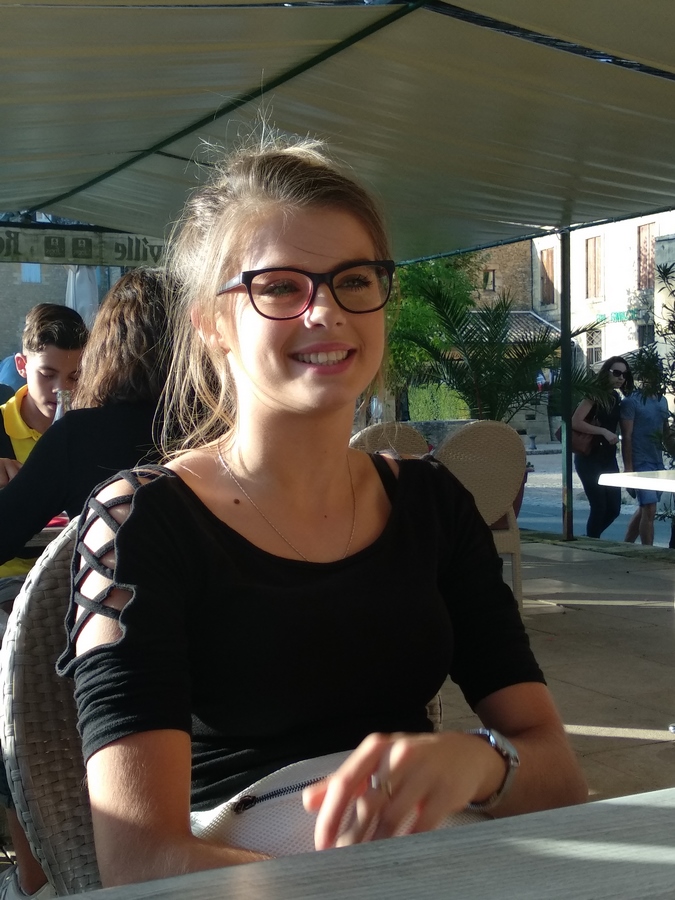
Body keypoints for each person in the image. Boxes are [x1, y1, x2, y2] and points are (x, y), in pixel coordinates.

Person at [57, 137, 587, 888]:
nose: (327, 311)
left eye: (353, 280)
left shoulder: (432, 503)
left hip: (431, 863)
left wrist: (479, 760)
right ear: (211, 322)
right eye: (279, 288)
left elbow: (559, 778)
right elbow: (139, 860)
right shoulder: (140, 522)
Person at [0, 269, 173, 900]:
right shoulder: (224, 430)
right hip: (214, 661)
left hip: (102, 663)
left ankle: (35, 879)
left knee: (10, 689)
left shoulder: (80, 434)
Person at [0, 304, 87, 582]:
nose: (62, 389)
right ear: (22, 366)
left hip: (74, 575)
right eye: (47, 374)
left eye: (75, 376)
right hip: (11, 576)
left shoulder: (92, 430)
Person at [571, 357, 633, 539]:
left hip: (608, 458)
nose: (621, 378)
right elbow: (575, 421)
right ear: (606, 372)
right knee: (599, 506)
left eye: (624, 374)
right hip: (589, 458)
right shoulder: (595, 394)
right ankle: (592, 543)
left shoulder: (615, 397)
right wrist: (603, 431)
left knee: (614, 508)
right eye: (617, 373)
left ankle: (590, 539)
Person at [621, 377, 671, 546]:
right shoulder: (631, 401)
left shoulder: (662, 401)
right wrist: (628, 468)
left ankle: (626, 545)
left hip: (657, 462)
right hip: (640, 462)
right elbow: (626, 436)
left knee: (646, 508)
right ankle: (647, 552)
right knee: (649, 508)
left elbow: (665, 432)